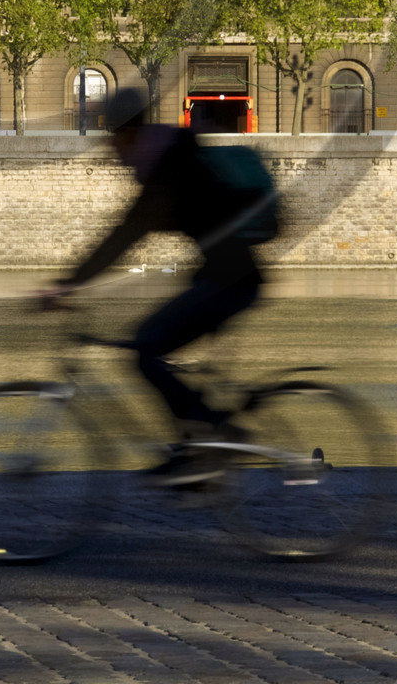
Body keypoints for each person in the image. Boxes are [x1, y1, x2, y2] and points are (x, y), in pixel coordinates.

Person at [38, 86, 266, 488]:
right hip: (221, 277)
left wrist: (66, 285)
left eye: (112, 139)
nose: (110, 152)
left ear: (129, 135)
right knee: (151, 347)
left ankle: (211, 437)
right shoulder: (169, 157)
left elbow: (125, 234)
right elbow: (131, 230)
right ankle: (198, 445)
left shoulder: (168, 168)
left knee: (145, 349)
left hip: (232, 282)